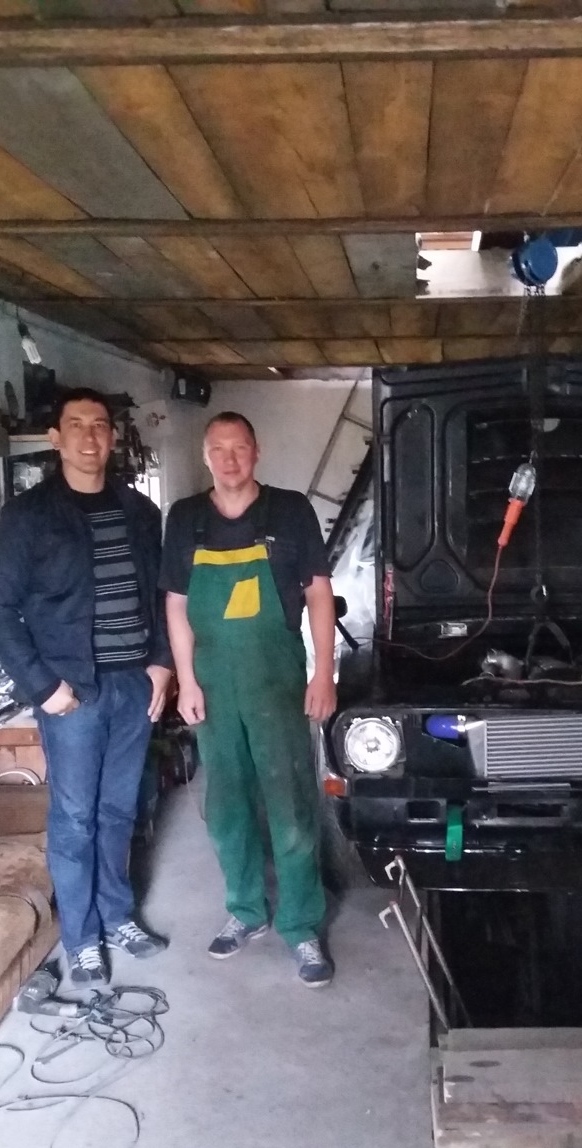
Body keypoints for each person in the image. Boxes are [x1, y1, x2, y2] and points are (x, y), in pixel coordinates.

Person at [0, 388, 172, 986]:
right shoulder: (27, 516)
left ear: (112, 438)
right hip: (72, 692)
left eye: (100, 425)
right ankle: (82, 937)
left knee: (119, 810)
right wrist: (43, 687)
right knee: (74, 816)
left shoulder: (140, 512)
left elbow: (162, 596)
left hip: (133, 685)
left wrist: (162, 663)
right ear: (56, 438)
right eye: (77, 425)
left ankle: (117, 915)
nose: (90, 436)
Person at [161, 411, 337, 988]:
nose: (229, 459)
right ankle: (245, 910)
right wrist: (186, 680)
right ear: (205, 456)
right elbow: (177, 605)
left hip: (276, 679)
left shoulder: (290, 510)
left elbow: (319, 594)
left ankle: (301, 925)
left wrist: (323, 673)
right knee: (227, 804)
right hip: (213, 683)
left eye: (239, 447)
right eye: (218, 449)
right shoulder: (185, 518)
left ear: (256, 451)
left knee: (291, 804)